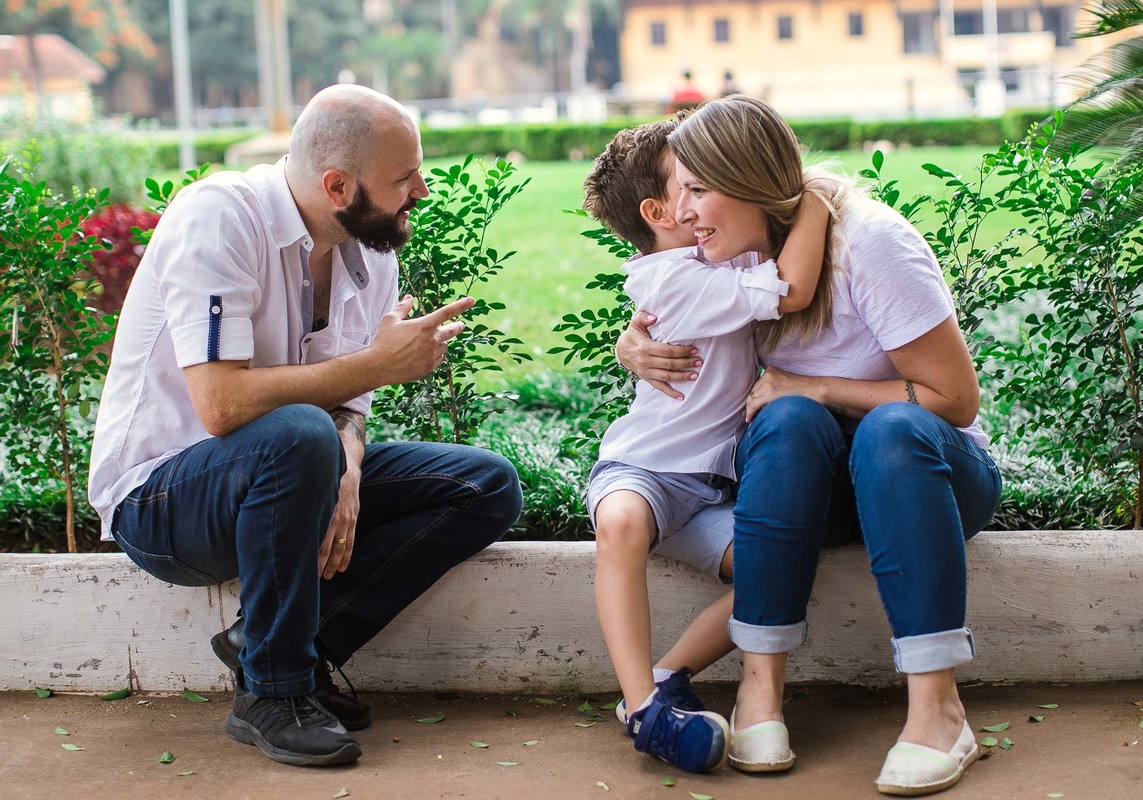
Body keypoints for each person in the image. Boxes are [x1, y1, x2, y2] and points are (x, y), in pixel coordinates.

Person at [88, 85, 523, 768]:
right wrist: (375, 370)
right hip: (164, 501)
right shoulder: (221, 216)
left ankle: (278, 642)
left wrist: (349, 463)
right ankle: (274, 692)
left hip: (295, 470)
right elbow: (222, 407)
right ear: (338, 185)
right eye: (404, 177)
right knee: (298, 434)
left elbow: (344, 402)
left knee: (484, 485)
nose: (423, 189)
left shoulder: (370, 250)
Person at [617, 95, 1001, 795]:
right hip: (829, 487)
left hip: (928, 474)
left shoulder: (868, 243)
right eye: (680, 194)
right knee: (786, 424)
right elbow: (664, 311)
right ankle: (759, 692)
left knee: (878, 426)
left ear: (748, 178)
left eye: (699, 190)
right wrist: (632, 345)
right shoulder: (738, 260)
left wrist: (816, 385)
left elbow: (953, 400)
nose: (685, 213)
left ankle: (939, 710)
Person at [582, 109, 829, 774]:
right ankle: (643, 710)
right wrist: (815, 198)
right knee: (624, 526)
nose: (704, 191)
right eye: (690, 184)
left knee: (773, 570)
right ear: (662, 210)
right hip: (643, 467)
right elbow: (792, 287)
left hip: (709, 485)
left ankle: (667, 676)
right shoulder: (673, 277)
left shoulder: (718, 254)